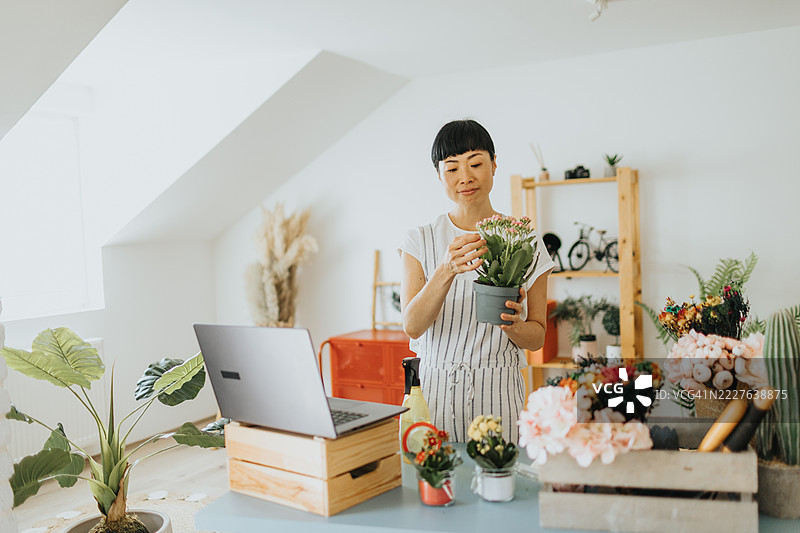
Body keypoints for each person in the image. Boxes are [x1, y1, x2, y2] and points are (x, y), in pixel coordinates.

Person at [398, 119, 555, 442]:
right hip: (436, 389)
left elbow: (536, 336)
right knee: (439, 483)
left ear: (494, 165)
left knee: (498, 482)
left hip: (500, 390)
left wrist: (512, 325)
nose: (465, 178)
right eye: (452, 168)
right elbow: (412, 326)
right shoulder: (420, 240)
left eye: (476, 164)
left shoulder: (525, 240)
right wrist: (445, 270)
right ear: (439, 176)